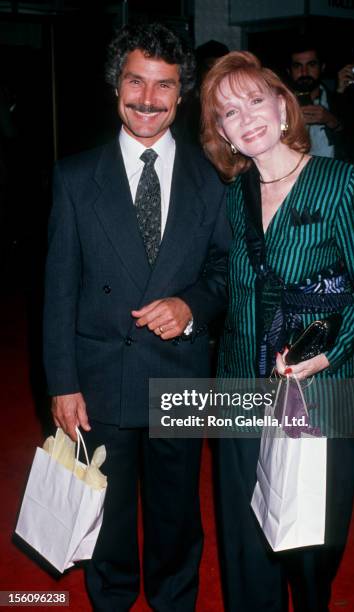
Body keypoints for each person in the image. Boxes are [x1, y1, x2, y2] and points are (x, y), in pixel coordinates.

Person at [43, 23, 230, 611]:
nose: (148, 99)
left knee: (177, 513)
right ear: (114, 85)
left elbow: (226, 270)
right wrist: (62, 384)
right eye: (135, 81)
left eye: (164, 86)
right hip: (102, 376)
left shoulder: (213, 178)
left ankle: (175, 599)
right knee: (110, 514)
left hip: (180, 374)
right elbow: (58, 290)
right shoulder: (75, 178)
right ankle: (113, 599)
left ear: (182, 94)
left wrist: (191, 306)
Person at [201, 50, 354, 611]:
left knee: (309, 542)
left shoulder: (342, 184)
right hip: (240, 385)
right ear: (223, 133)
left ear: (284, 107)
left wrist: (326, 356)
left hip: (318, 389)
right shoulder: (233, 197)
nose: (247, 117)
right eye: (229, 112)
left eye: (255, 100)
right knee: (244, 536)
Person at [287, 38, 354, 161]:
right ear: (289, 71)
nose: (304, 72)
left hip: (333, 177)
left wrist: (332, 122)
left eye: (311, 65)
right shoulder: (280, 104)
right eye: (297, 66)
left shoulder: (340, 100)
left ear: (322, 67)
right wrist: (290, 125)